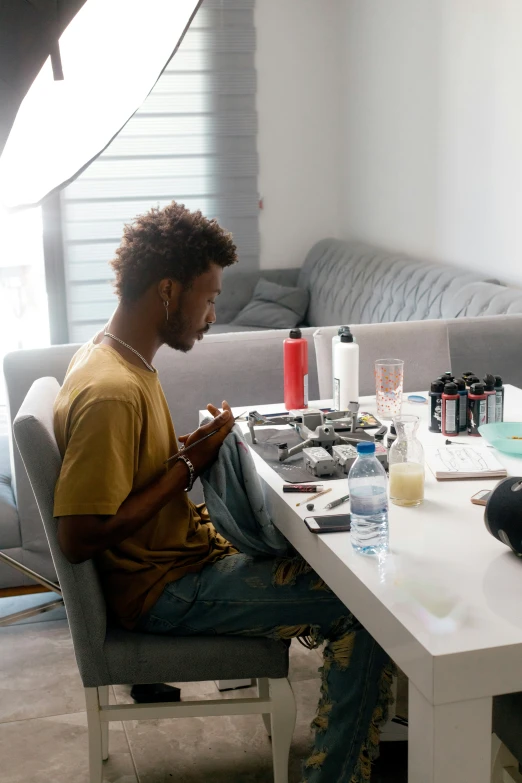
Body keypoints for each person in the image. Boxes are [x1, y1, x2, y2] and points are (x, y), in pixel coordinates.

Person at [54, 201, 392, 782]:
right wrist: (188, 468)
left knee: (335, 564)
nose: (212, 314)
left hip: (178, 563)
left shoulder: (119, 358)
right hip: (164, 590)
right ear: (167, 290)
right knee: (369, 610)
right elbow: (80, 535)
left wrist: (189, 454)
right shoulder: (112, 389)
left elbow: (130, 478)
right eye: (208, 297)